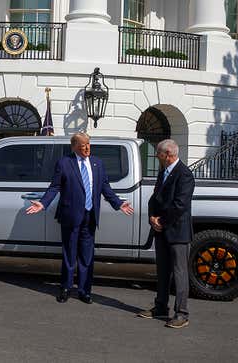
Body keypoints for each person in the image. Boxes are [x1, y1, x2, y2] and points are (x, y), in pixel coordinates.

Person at [26, 132, 134, 303]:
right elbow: (55, 187)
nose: (87, 148)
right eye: (83, 145)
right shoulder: (64, 163)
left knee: (86, 256)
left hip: (90, 216)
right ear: (74, 146)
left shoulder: (97, 163)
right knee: (69, 254)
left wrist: (118, 203)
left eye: (88, 144)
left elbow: (105, 187)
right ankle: (66, 288)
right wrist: (43, 203)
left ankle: (84, 290)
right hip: (70, 216)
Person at [138, 139, 195, 329]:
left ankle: (182, 313)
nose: (157, 156)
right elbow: (154, 198)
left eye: (159, 154)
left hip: (177, 232)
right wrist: (152, 218)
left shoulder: (184, 175)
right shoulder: (163, 172)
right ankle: (161, 306)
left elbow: (180, 205)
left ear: (168, 154)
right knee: (162, 271)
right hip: (161, 230)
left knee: (179, 273)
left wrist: (161, 221)